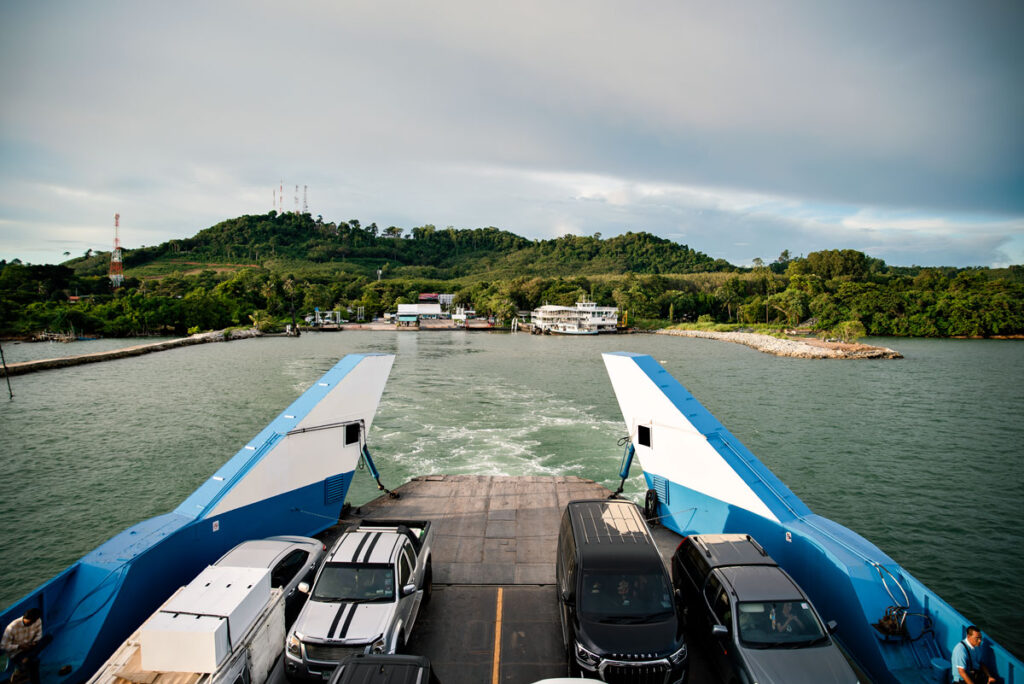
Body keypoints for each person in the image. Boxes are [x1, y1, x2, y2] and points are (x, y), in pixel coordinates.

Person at [1, 608, 49, 684]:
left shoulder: (37, 621)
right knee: (34, 661)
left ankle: (26, 661)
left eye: (30, 623)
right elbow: (3, 646)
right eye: (26, 623)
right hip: (17, 653)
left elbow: (38, 636)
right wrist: (19, 646)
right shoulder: (12, 627)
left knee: (48, 638)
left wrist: (34, 642)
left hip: (30, 647)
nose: (28, 625)